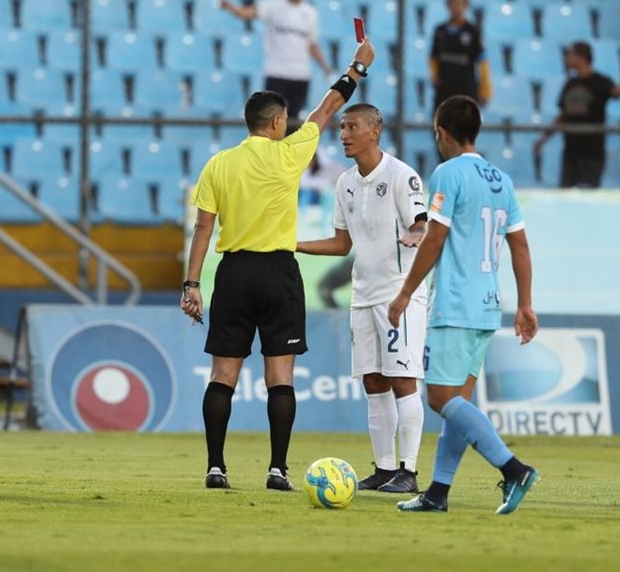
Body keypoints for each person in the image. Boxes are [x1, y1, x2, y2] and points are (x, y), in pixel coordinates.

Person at [182, 38, 378, 491]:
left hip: (233, 273)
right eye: (284, 120)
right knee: (280, 377)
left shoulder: (219, 164)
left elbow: (203, 229)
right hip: (278, 273)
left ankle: (216, 467)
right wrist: (357, 67)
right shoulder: (290, 152)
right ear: (275, 122)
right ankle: (277, 470)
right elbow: (327, 110)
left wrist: (192, 283)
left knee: (223, 376)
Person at [387, 95, 540, 514]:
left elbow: (434, 236)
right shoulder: (500, 179)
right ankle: (437, 493)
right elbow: (520, 243)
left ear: (441, 131)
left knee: (438, 398)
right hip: (489, 305)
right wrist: (525, 304)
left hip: (455, 303)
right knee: (458, 405)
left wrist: (404, 293)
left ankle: (514, 469)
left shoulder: (448, 173)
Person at [296, 104, 427, 494]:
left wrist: (416, 235)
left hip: (399, 295)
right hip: (363, 295)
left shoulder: (402, 176)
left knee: (403, 379)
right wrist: (292, 244)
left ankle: (410, 470)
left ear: (375, 130)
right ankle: (385, 467)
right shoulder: (345, 183)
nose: (343, 134)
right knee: (373, 380)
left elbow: (422, 223)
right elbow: (341, 244)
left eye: (352, 126)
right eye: (341, 127)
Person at [219, 0, 333, 116]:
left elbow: (312, 44)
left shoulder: (310, 12)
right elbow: (247, 13)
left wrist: (325, 66)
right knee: (272, 117)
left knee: (293, 119)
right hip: (277, 72)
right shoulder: (274, 6)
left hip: (301, 73)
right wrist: (232, 8)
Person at [534, 41, 620, 187]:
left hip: (592, 152)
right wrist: (544, 138)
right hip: (570, 151)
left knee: (588, 197)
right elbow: (563, 115)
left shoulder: (601, 81)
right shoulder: (570, 83)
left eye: (570, 55)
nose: (567, 59)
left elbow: (616, 93)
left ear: (582, 57)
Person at [429, 0, 491, 111]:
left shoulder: (472, 30)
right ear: (447, 5)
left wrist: (485, 89)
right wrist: (434, 76)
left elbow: (482, 60)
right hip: (444, 89)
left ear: (466, 6)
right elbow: (433, 57)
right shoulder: (440, 30)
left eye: (460, 3)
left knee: (464, 126)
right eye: (453, 3)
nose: (456, 7)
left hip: (466, 89)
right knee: (441, 125)